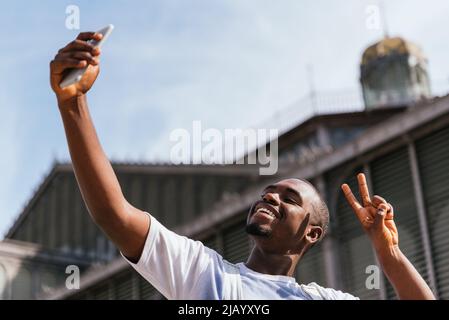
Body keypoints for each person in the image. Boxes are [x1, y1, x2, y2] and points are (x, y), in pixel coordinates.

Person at [50, 32, 435, 300]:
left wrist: (390, 256)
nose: (270, 196)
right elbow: (114, 216)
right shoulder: (206, 275)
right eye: (268, 191)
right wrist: (73, 104)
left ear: (312, 233)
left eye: (289, 198)